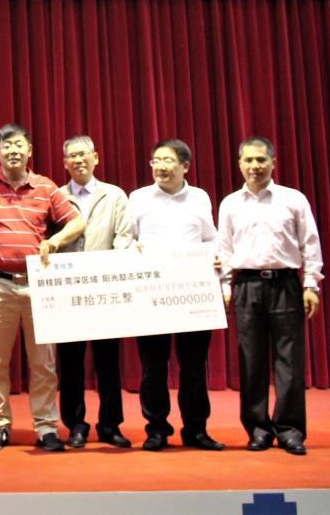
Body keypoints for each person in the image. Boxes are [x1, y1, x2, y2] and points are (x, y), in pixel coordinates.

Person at [0, 124, 84, 452]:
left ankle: (46, 427)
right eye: (7, 146)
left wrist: (55, 241)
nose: (13, 151)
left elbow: (77, 221)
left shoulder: (46, 187)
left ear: (30, 150)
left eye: (19, 145)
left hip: (38, 286)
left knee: (43, 363)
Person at [217, 136, 323, 456]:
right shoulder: (230, 204)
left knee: (289, 360)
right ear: (239, 164)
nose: (255, 166)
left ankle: (290, 430)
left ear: (273, 163)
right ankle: (258, 429)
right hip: (246, 286)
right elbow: (224, 248)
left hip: (285, 285)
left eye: (261, 160)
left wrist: (310, 285)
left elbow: (310, 243)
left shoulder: (292, 199)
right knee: (251, 360)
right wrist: (224, 287)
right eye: (248, 160)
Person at [127, 138, 224, 452]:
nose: (160, 166)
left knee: (193, 366)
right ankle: (156, 429)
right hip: (151, 293)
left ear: (185, 166)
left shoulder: (199, 198)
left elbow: (211, 239)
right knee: (153, 367)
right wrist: (133, 248)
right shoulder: (139, 198)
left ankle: (196, 430)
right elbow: (125, 240)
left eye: (167, 160)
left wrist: (219, 265)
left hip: (192, 294)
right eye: (156, 160)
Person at [57, 135, 133, 449]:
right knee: (70, 363)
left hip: (106, 291)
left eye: (84, 154)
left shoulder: (114, 195)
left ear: (96, 157)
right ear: (65, 163)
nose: (78, 160)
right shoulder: (56, 196)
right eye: (72, 156)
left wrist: (109, 273)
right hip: (68, 293)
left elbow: (124, 238)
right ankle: (75, 425)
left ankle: (110, 425)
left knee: (108, 362)